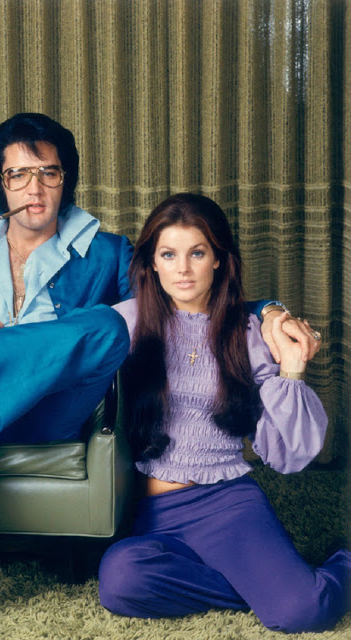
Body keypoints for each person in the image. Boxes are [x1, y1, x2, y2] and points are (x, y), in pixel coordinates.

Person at [0, 115, 318, 640]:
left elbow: (186, 292)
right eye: (18, 175)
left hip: (50, 414)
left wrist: (269, 311)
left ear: (66, 180)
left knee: (108, 326)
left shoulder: (107, 253)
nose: (34, 188)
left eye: (48, 173)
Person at [98, 193, 350, 633]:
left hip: (226, 503)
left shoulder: (250, 333)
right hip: (152, 510)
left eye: (197, 253)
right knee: (121, 581)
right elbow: (63, 342)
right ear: (152, 263)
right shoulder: (128, 321)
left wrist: (291, 368)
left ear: (218, 259)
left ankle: (341, 563)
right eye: (169, 254)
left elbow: (288, 455)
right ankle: (261, 584)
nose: (183, 268)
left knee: (302, 612)